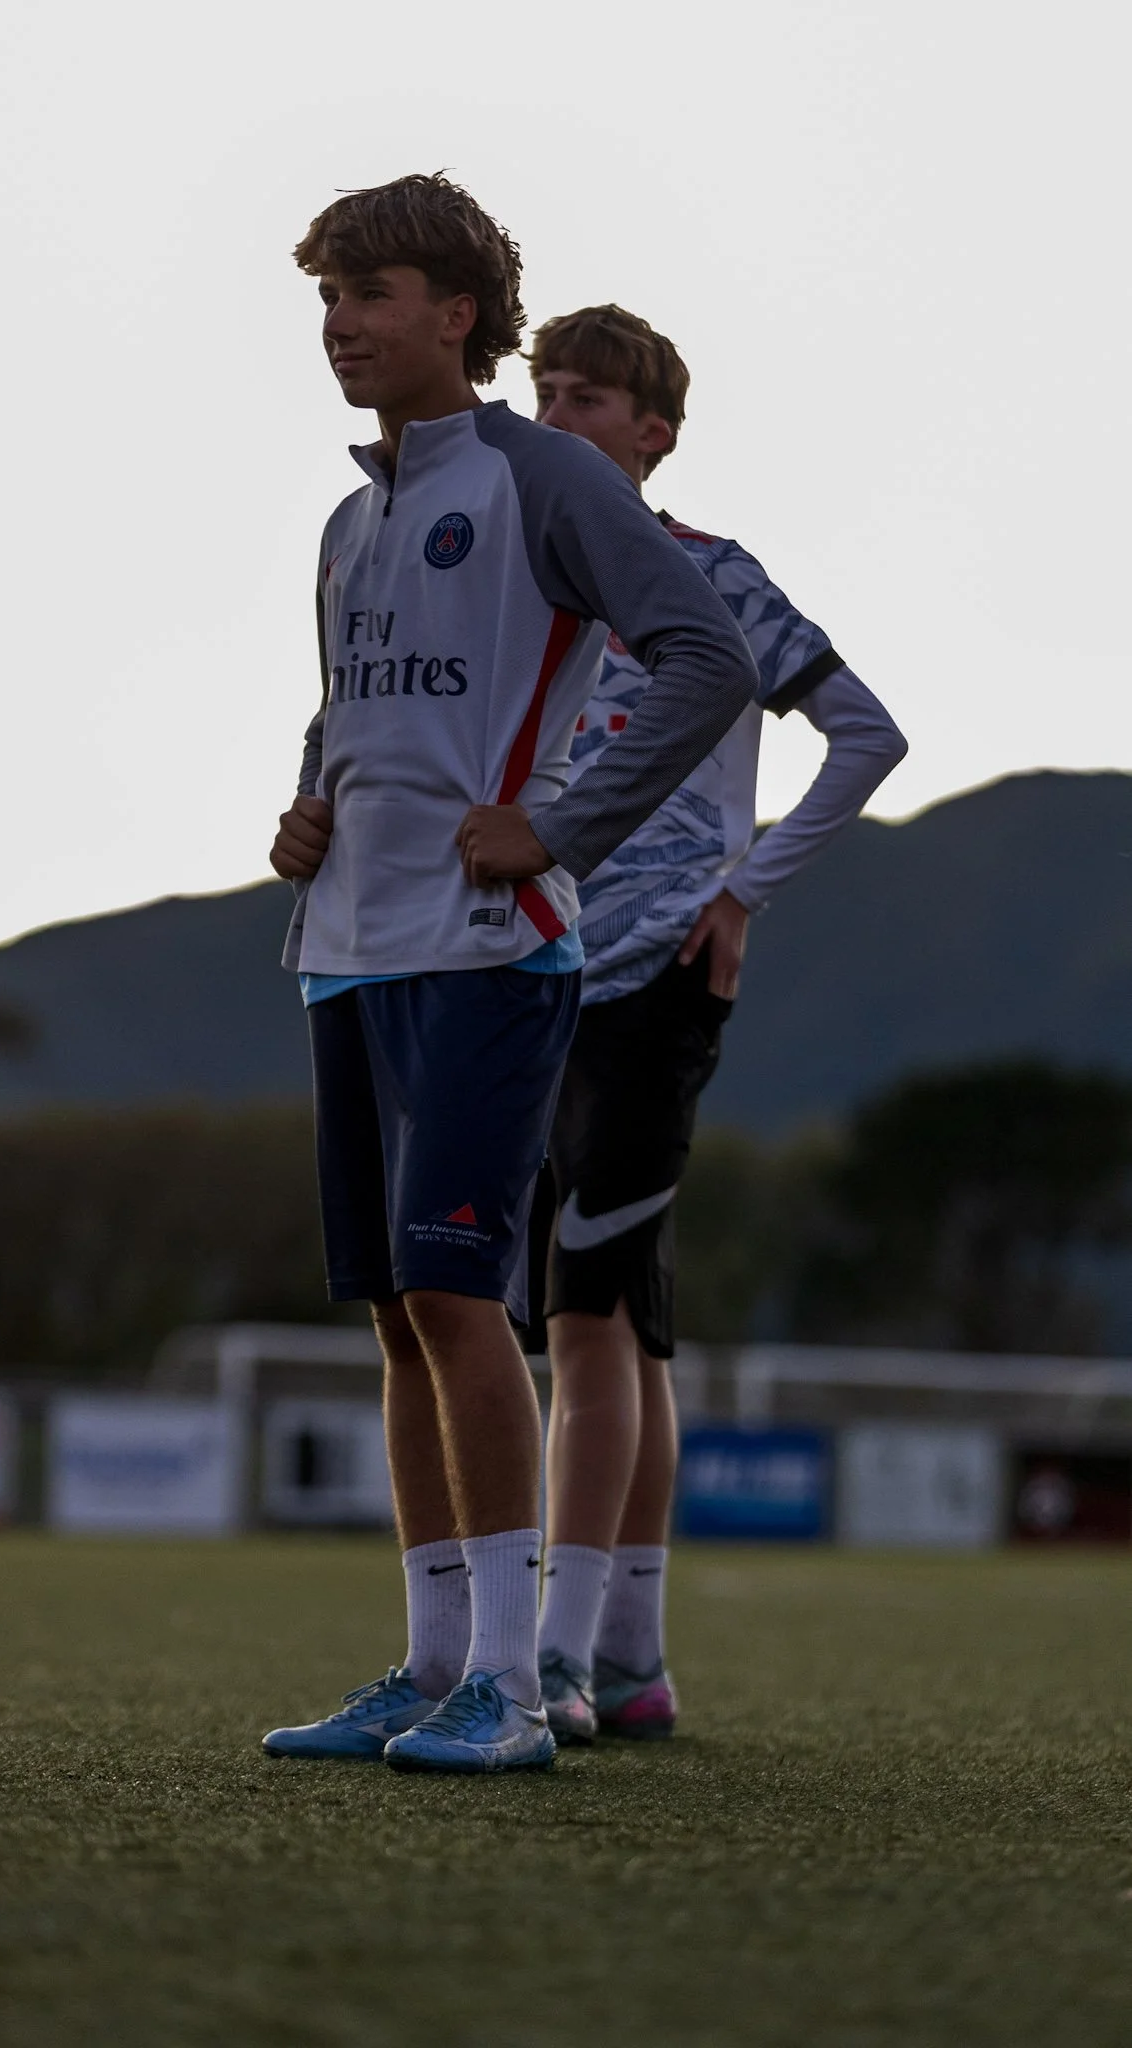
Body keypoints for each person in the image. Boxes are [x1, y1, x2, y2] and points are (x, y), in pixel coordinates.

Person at [260, 179, 758, 1774]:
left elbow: (707, 658)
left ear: (461, 312)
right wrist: (309, 804)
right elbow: (361, 707)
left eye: (377, 292)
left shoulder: (539, 474)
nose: (345, 322)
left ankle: (513, 1688)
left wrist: (556, 829)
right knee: (404, 1316)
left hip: (489, 953)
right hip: (347, 948)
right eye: (332, 296)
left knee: (465, 1299)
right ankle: (425, 1667)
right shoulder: (353, 514)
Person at [527, 304, 908, 1744]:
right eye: (545, 392)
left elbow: (868, 731)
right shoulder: (527, 587)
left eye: (589, 398)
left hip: (654, 978)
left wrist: (744, 890)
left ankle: (556, 1656)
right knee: (623, 1318)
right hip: (526, 967)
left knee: (587, 1316)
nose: (558, 416)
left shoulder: (709, 577)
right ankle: (631, 1662)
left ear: (653, 432)